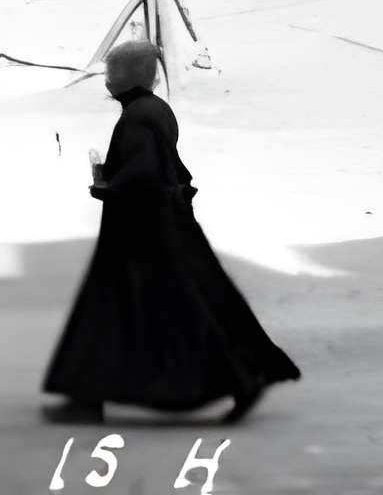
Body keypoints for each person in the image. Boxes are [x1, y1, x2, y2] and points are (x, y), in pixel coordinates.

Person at [41, 37, 300, 425]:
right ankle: (89, 395)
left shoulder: (138, 116)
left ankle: (241, 377)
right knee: (143, 309)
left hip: (144, 232)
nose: (108, 79)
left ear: (129, 77)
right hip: (158, 225)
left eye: (114, 72)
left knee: (163, 310)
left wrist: (107, 186)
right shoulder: (153, 109)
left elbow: (144, 172)